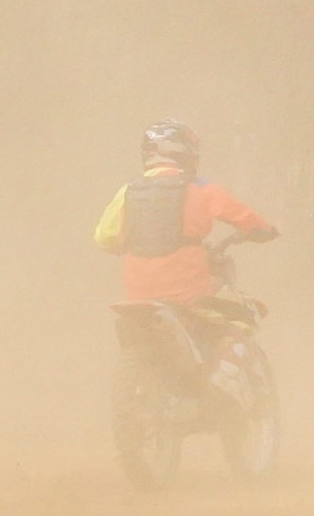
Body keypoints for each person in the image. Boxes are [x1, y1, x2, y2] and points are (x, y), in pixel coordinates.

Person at [92, 122, 278, 370]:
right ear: (185, 152)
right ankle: (229, 377)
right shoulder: (200, 187)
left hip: (138, 293)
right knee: (240, 313)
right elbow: (242, 216)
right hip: (189, 291)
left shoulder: (127, 191)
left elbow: (104, 238)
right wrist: (264, 230)